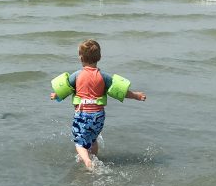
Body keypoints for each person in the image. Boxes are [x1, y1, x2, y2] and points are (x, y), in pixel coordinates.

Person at [50, 38, 146, 169]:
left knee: (79, 143)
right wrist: (136, 96)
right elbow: (121, 91)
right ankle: (94, 158)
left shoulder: (77, 75)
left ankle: (87, 161)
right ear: (99, 57)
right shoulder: (104, 76)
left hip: (82, 114)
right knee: (93, 139)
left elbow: (65, 89)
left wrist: (55, 95)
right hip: (99, 116)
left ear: (80, 58)